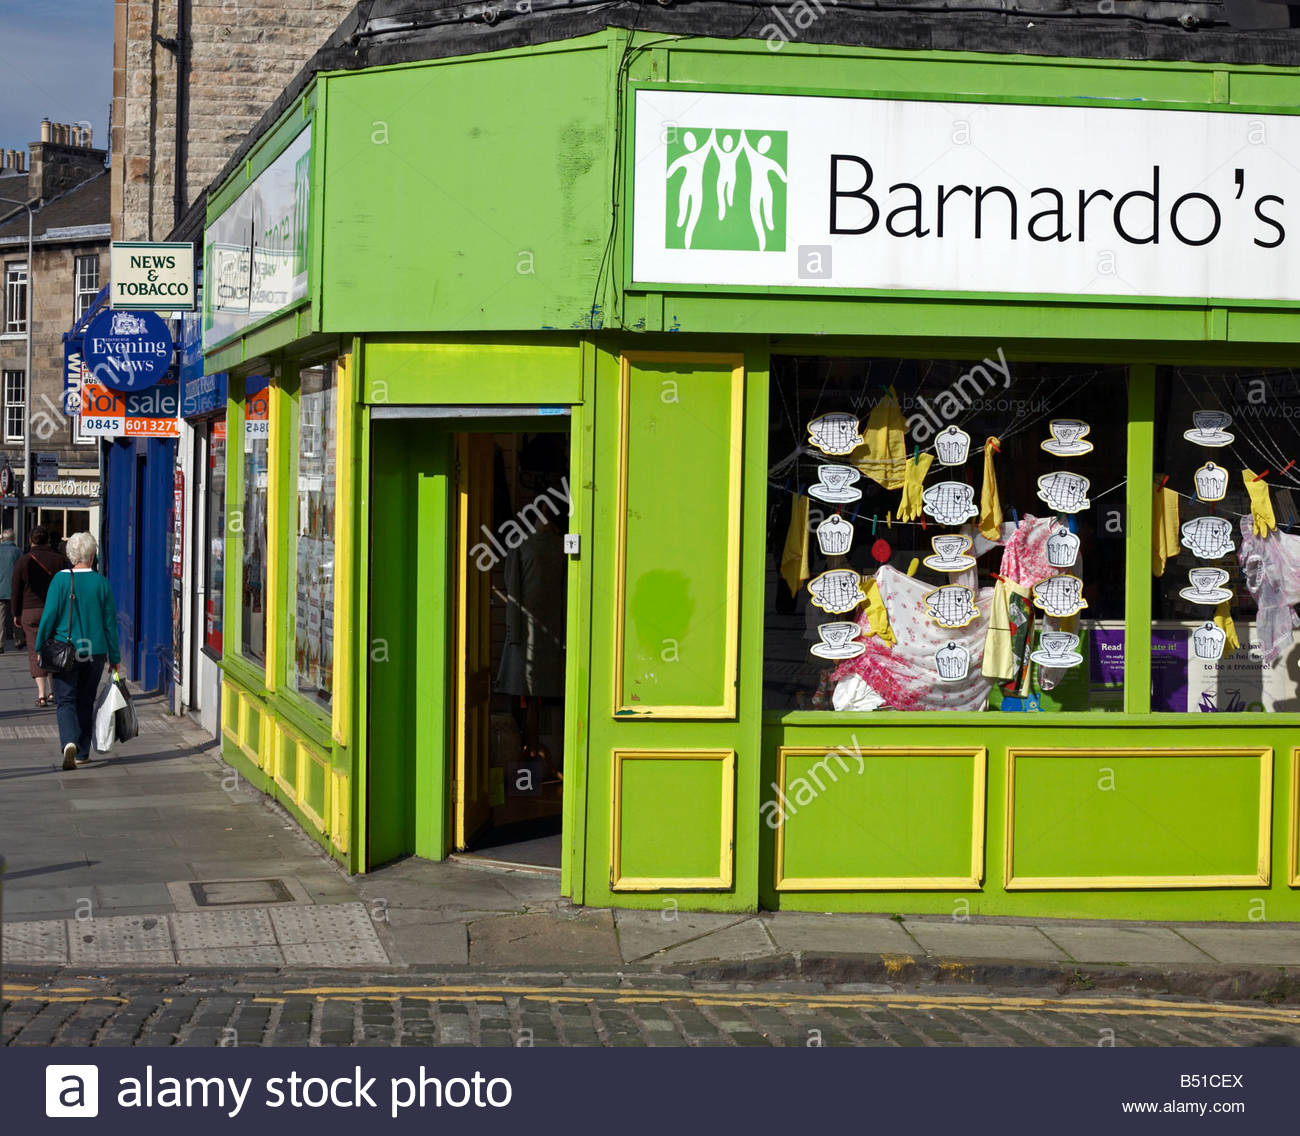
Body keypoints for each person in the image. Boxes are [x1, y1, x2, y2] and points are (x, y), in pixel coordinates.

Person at [36, 532, 121, 771]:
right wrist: (115, 658)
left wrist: (39, 645)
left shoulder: (61, 580)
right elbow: (110, 624)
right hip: (95, 651)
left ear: (71, 555)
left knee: (65, 701)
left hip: (65, 650)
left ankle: (69, 742)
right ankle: (83, 752)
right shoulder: (102, 583)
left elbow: (49, 616)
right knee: (86, 700)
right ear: (93, 554)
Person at [12, 526, 70, 706]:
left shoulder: (24, 561)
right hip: (55, 610)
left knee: (34, 650)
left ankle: (41, 694)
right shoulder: (60, 560)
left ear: (31, 540)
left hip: (30, 611)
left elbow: (16, 590)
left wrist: (16, 613)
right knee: (54, 647)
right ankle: (54, 692)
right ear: (48, 540)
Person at [0, 528, 20, 651]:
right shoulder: (17, 551)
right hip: (14, 589)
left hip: (0, 589)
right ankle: (18, 640)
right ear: (13, 538)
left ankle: (0, 644)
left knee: (0, 618)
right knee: (16, 615)